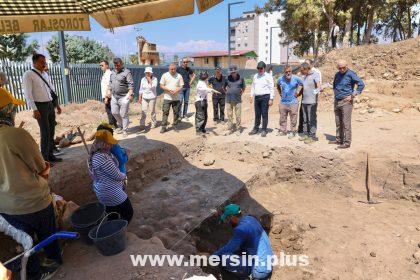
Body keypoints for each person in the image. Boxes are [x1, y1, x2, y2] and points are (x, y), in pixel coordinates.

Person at [0, 90, 63, 279]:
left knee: (25, 244)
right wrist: (45, 172)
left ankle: (32, 273)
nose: (15, 112)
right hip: (33, 202)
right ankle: (52, 261)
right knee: (47, 233)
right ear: (6, 110)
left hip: (5, 208)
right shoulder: (15, 135)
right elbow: (40, 166)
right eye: (13, 108)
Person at [212, 204, 273, 280]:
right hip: (268, 262)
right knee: (238, 251)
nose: (227, 222)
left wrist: (212, 257)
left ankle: (246, 277)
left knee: (225, 258)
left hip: (259, 271)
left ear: (233, 217)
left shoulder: (241, 230)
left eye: (227, 219)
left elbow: (228, 249)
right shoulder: (250, 219)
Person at [23, 54, 62, 163]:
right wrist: (34, 109)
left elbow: (51, 90)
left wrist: (57, 105)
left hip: (49, 105)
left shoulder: (44, 74)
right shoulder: (28, 74)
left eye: (44, 61)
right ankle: (44, 160)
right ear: (34, 62)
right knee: (45, 133)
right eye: (41, 62)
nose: (44, 64)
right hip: (40, 106)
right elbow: (28, 94)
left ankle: (50, 155)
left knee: (51, 131)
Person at [88, 129, 133, 223]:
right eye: (108, 143)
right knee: (128, 213)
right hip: (111, 192)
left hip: (104, 191)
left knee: (112, 215)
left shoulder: (97, 155)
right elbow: (117, 175)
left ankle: (114, 230)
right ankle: (120, 230)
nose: (111, 145)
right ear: (102, 144)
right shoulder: (102, 158)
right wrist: (124, 175)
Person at [331, 59, 365, 149]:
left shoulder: (351, 74)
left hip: (346, 101)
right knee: (338, 122)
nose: (342, 69)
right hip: (337, 100)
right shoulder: (337, 74)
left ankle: (347, 142)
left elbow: (361, 84)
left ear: (347, 66)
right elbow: (334, 85)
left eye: (343, 68)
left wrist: (353, 95)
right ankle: (339, 139)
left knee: (346, 123)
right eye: (340, 68)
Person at [108, 58, 134, 137]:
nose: (116, 66)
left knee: (124, 114)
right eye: (115, 65)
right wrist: (109, 91)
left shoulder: (126, 72)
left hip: (124, 96)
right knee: (114, 112)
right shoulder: (112, 72)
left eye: (118, 65)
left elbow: (130, 84)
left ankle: (125, 130)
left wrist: (130, 94)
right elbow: (110, 82)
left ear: (121, 64)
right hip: (114, 96)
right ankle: (122, 125)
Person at [249, 61, 275, 137]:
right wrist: (251, 96)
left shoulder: (268, 76)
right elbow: (253, 86)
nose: (260, 69)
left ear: (264, 68)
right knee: (257, 114)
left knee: (264, 114)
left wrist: (271, 99)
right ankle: (256, 128)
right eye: (258, 68)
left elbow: (271, 88)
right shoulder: (255, 76)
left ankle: (264, 129)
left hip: (265, 97)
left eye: (261, 68)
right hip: (257, 97)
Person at [277, 65, 303, 138]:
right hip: (283, 102)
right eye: (286, 72)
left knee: (293, 118)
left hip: (293, 102)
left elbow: (302, 84)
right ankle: (283, 131)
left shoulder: (296, 78)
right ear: (284, 73)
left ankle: (293, 131)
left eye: (289, 71)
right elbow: (277, 85)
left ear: (291, 71)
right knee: (282, 117)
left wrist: (298, 92)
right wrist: (280, 93)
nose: (288, 73)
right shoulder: (280, 79)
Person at [299, 62, 321, 144]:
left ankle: (312, 136)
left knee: (311, 119)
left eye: (302, 70)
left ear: (306, 69)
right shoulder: (304, 76)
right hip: (304, 101)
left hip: (312, 102)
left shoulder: (315, 74)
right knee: (305, 119)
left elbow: (319, 87)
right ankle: (305, 134)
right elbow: (303, 88)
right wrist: (298, 94)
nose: (301, 72)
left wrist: (314, 93)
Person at [160, 63, 184, 134]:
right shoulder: (165, 75)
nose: (173, 70)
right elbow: (161, 85)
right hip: (167, 97)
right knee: (165, 112)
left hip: (176, 98)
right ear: (169, 69)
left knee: (176, 112)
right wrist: (168, 90)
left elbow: (181, 86)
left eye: (174, 69)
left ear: (176, 69)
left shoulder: (179, 76)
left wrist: (176, 90)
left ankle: (175, 126)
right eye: (171, 69)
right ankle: (163, 127)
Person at [225, 65, 246, 135]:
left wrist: (239, 94)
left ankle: (238, 129)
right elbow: (224, 87)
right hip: (228, 100)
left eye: (234, 72)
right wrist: (227, 93)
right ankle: (230, 129)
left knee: (238, 115)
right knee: (229, 115)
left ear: (236, 72)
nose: (232, 73)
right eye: (231, 72)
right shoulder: (227, 78)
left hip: (237, 100)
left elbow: (243, 88)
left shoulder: (241, 78)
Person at [138, 67, 158, 131]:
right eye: (146, 73)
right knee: (143, 110)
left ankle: (154, 122)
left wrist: (149, 79)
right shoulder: (142, 79)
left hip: (152, 97)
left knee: (152, 111)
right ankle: (142, 124)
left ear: (151, 73)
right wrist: (139, 97)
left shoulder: (155, 79)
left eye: (149, 73)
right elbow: (141, 89)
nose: (147, 74)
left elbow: (153, 86)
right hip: (144, 97)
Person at [100, 60, 117, 128]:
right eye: (100, 65)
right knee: (110, 110)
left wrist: (106, 97)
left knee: (109, 110)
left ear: (107, 65)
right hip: (106, 95)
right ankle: (114, 124)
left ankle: (112, 124)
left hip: (108, 95)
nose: (101, 67)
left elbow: (108, 86)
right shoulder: (105, 74)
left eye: (102, 65)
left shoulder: (109, 74)